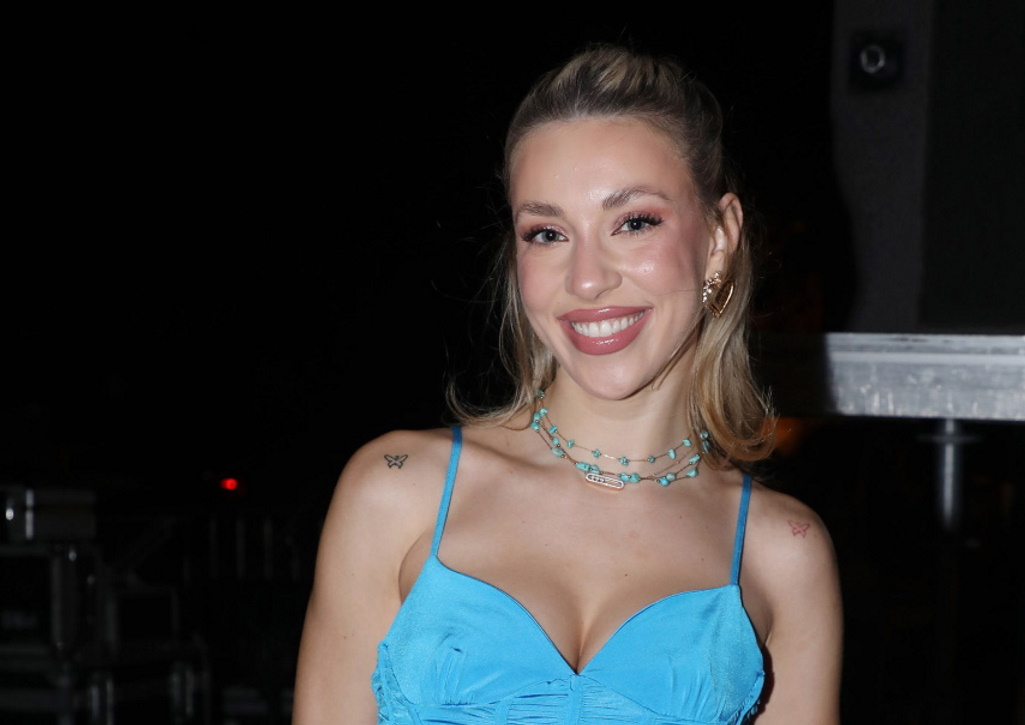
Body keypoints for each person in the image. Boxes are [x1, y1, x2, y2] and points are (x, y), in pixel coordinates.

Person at [293, 43, 842, 724]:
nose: (586, 280)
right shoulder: (396, 490)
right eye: (547, 233)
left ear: (719, 241)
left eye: (633, 222)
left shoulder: (783, 551)